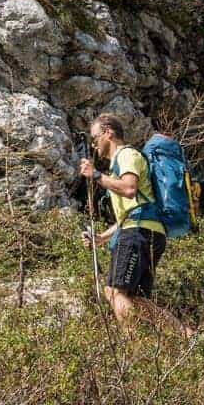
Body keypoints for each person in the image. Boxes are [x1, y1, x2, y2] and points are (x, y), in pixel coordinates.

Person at [78, 114, 190, 333]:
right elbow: (132, 211)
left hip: (137, 233)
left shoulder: (127, 155)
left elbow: (129, 189)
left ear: (108, 132)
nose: (93, 145)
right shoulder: (118, 165)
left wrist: (96, 175)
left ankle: (133, 346)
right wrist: (100, 238)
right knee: (136, 299)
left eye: (95, 138)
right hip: (146, 230)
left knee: (115, 292)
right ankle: (188, 337)